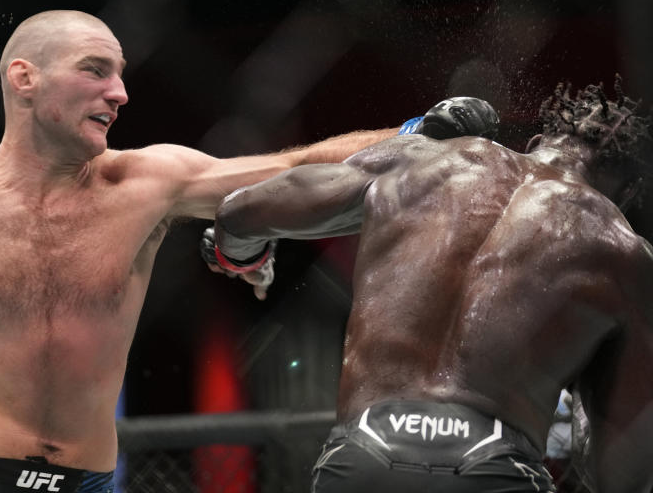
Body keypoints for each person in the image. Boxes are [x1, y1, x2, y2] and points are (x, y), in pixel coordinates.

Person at [0, 9, 498, 493]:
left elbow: (296, 167)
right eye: (96, 70)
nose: (120, 92)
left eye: (122, 74)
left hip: (95, 481)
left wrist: (412, 135)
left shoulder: (147, 182)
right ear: (23, 79)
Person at [207, 78, 653, 493]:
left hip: (362, 455)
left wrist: (246, 257)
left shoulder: (423, 159)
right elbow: (617, 476)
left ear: (535, 144)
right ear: (629, 193)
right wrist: (583, 379)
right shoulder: (622, 251)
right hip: (496, 464)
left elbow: (238, 213)